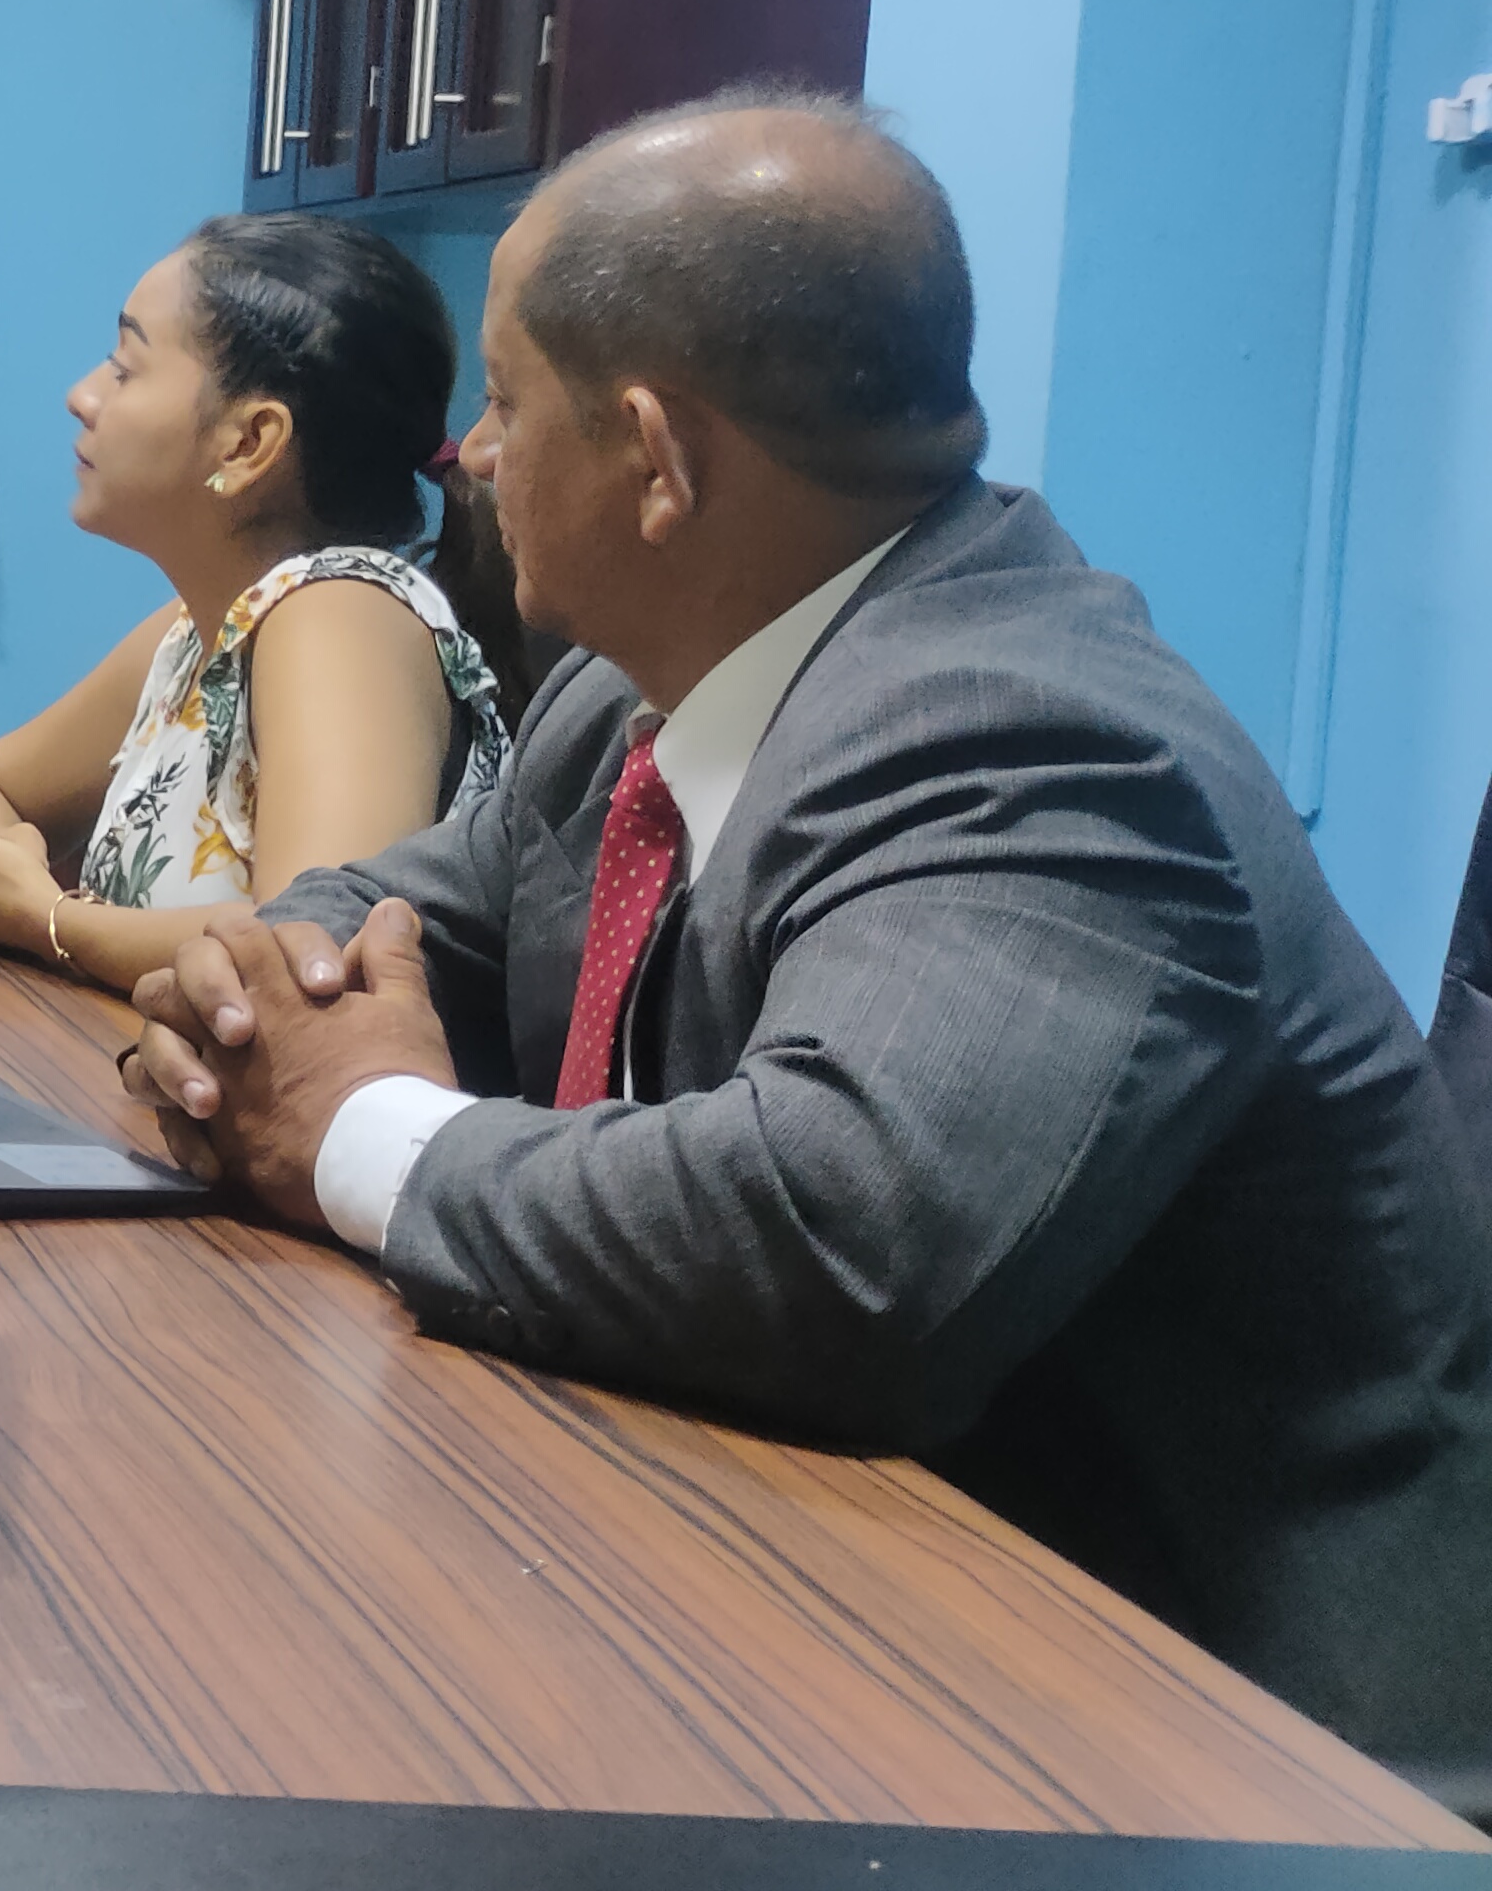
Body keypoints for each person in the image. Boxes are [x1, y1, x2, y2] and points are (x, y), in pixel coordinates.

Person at [122, 91, 1492, 1775]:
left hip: (1223, 1750)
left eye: (507, 399)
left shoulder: (1036, 740)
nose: (466, 453)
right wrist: (263, 992)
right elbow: (385, 913)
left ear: (654, 458)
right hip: (819, 1597)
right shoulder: (625, 698)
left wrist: (357, 1128)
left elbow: (839, 1242)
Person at [0, 217, 513, 991]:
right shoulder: (196, 634)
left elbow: (308, 946)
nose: (82, 396)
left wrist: (44, 917)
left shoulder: (339, 615)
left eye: (125, 368)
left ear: (249, 442)